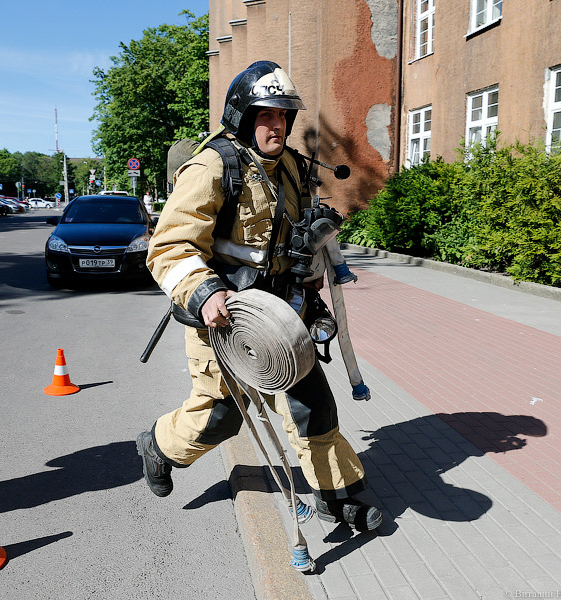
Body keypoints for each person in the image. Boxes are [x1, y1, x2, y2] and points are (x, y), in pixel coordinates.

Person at [136, 60, 382, 532]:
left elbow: (287, 238)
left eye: (284, 116)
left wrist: (308, 273)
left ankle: (335, 495)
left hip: (282, 316)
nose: (277, 126)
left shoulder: (290, 166)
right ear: (243, 117)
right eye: (266, 115)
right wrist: (206, 293)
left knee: (311, 404)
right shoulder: (213, 165)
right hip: (222, 320)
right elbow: (169, 247)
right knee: (220, 418)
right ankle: (157, 446)